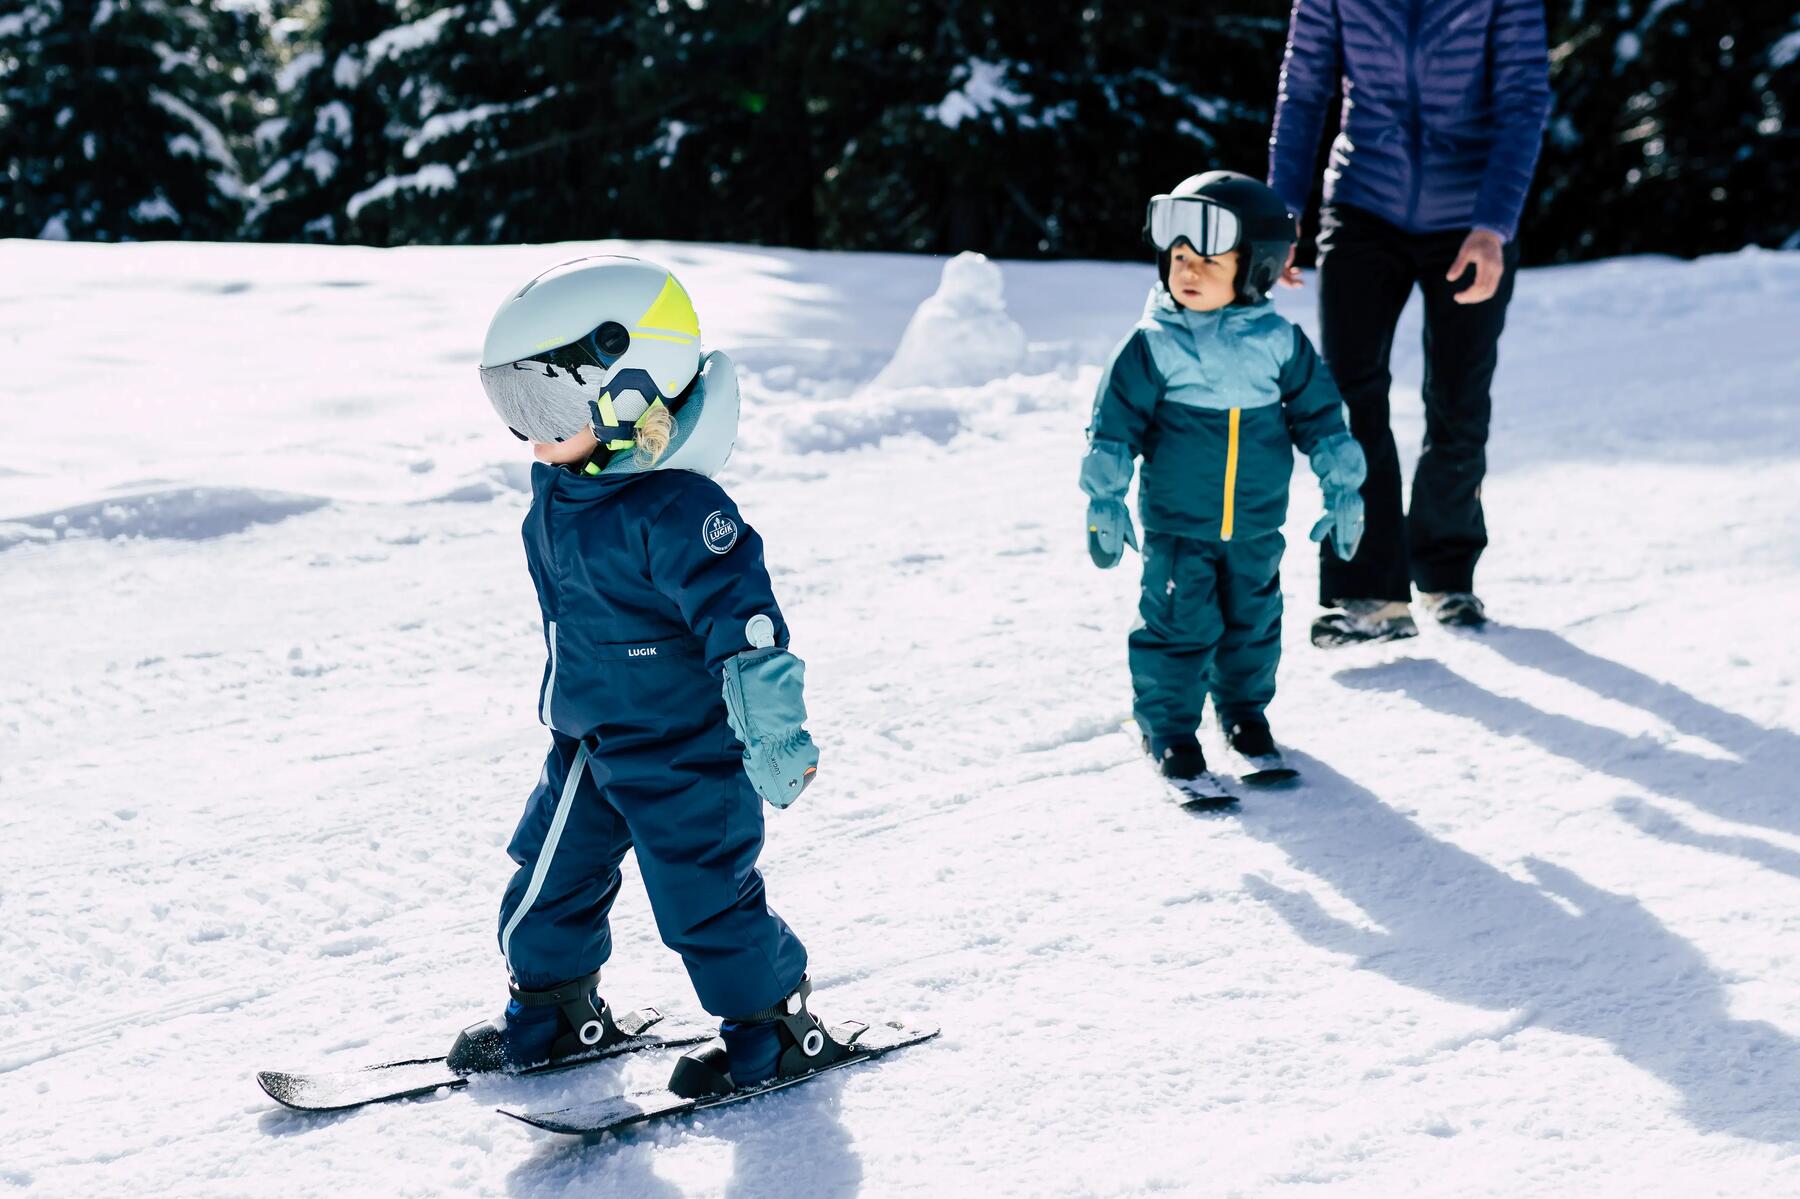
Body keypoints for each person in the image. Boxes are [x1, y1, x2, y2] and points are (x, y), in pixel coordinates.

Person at [449, 255, 851, 1098]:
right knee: (544, 884)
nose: (532, 433)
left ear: (633, 393)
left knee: (702, 901)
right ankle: (555, 1008)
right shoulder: (561, 492)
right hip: (591, 743)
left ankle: (773, 1029)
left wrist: (774, 732)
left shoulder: (680, 511)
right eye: (513, 405)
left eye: (547, 404)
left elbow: (747, 632)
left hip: (684, 750)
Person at [1267, 0, 1553, 643]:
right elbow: (1305, 87)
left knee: (1457, 394)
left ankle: (1446, 574)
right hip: (1364, 200)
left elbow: (1523, 102)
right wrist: (1282, 207)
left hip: (1470, 215)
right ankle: (1368, 589)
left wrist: (1493, 228)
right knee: (1348, 395)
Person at [1082, 171, 1366, 788]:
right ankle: (1169, 728)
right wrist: (1105, 497)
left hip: (1257, 524)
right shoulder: (1153, 345)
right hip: (1180, 526)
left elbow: (1321, 416)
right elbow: (1112, 427)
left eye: (1208, 260)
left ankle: (1243, 715)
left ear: (1257, 267)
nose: (1187, 270)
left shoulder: (1280, 342)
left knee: (1253, 625)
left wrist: (1343, 484)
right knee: (1179, 626)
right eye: (1178, 257)